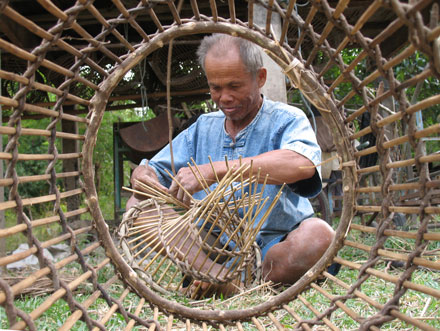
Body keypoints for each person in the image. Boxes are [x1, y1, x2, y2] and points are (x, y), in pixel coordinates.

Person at [126, 34, 335, 295]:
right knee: (137, 204)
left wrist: (216, 170)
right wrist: (142, 176)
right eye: (216, 88)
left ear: (260, 78)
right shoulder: (203, 127)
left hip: (273, 247)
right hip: (209, 250)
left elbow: (301, 164)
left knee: (319, 236)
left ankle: (241, 281)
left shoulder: (287, 119)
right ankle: (217, 277)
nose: (224, 97)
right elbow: (150, 169)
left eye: (234, 86)